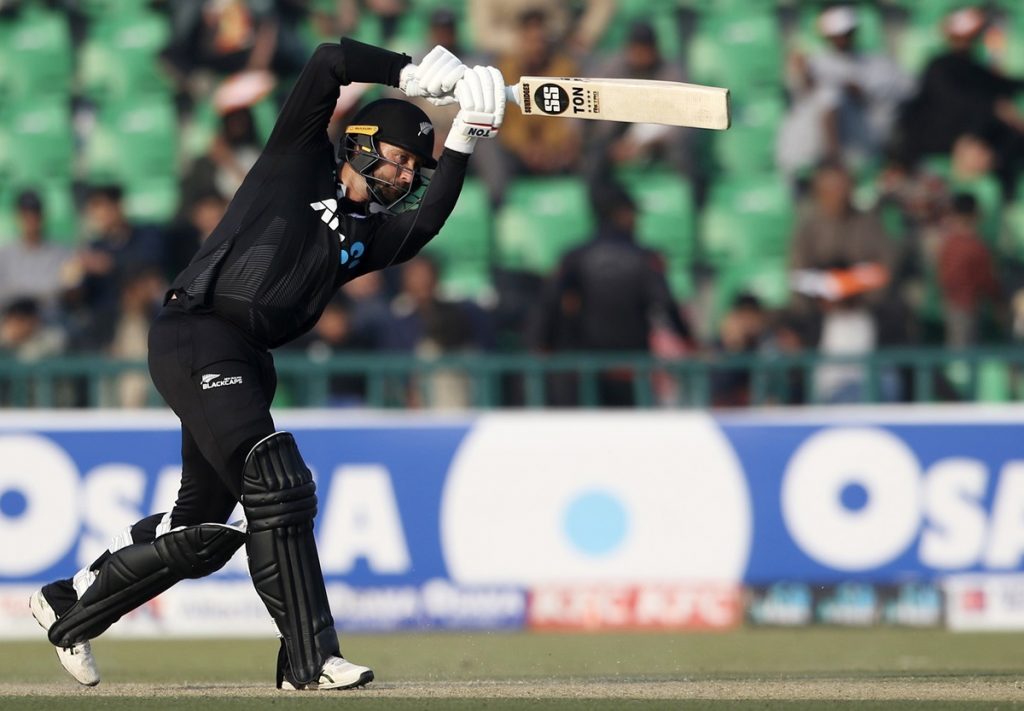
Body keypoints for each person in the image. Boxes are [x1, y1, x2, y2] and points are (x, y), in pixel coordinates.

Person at [29, 39, 505, 691]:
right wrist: (408, 71)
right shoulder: (297, 156)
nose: (405, 177)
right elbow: (327, 62)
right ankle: (307, 661)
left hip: (245, 360)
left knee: (196, 530)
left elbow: (424, 226)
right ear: (363, 143)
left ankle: (68, 604)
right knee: (277, 481)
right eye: (399, 160)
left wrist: (467, 138)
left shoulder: (366, 239)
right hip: (196, 333)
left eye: (414, 169)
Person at [528, 179, 690, 407]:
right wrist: (690, 341)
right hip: (631, 370)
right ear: (622, 214)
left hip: (585, 369)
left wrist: (541, 344)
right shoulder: (646, 258)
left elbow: (549, 304)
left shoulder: (574, 256)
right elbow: (666, 305)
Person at [776, 5, 912, 183]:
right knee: (828, 96)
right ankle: (831, 164)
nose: (842, 39)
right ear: (826, 36)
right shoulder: (815, 63)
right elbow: (803, 91)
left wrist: (861, 91)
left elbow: (907, 91)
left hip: (863, 149)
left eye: (846, 33)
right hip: (812, 154)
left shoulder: (877, 63)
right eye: (836, 34)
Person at [0, 190, 71, 314]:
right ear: (16, 217)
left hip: (48, 322)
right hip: (13, 321)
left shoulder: (61, 253)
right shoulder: (4, 254)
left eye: (34, 214)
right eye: (25, 215)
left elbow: (64, 291)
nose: (30, 220)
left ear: (42, 216)